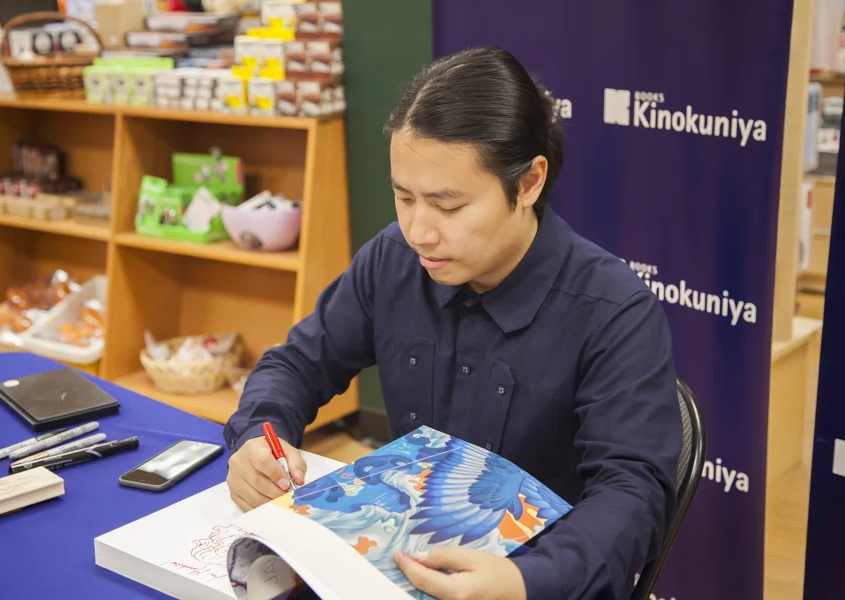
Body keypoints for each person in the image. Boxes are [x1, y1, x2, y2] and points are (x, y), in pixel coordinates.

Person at [223, 46, 683, 600]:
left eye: (448, 206)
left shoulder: (615, 313)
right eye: (403, 197)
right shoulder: (392, 261)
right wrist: (257, 438)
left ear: (530, 182)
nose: (419, 231)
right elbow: (296, 364)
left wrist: (523, 581)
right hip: (398, 567)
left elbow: (631, 496)